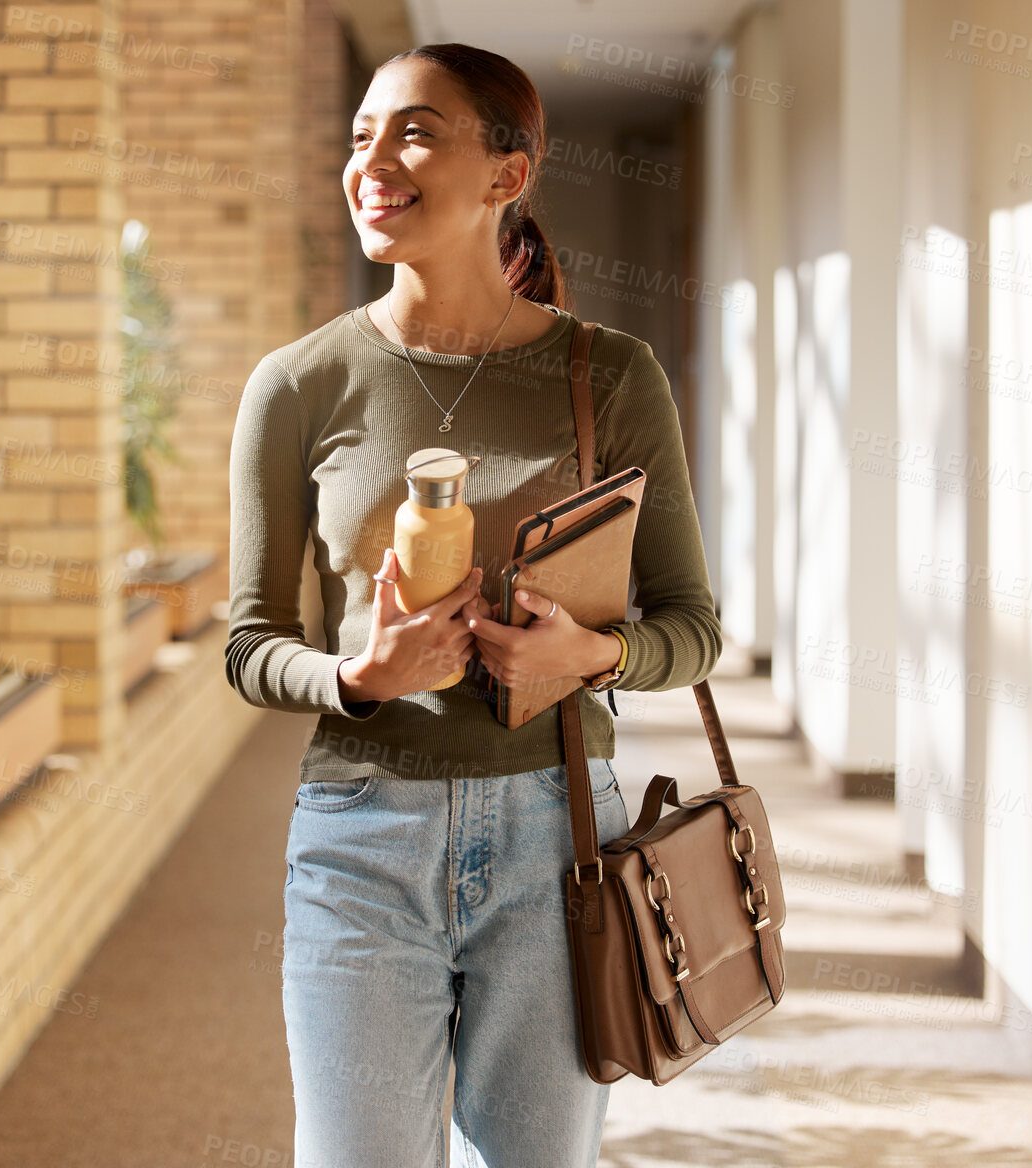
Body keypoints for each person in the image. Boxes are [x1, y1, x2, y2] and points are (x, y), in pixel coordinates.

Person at [223, 40, 722, 1168]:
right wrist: (358, 675)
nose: (371, 162)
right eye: (358, 136)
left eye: (412, 131)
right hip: (361, 836)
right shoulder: (298, 384)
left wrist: (591, 649)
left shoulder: (611, 374)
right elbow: (251, 644)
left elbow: (691, 627)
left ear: (507, 175)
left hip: (562, 839)